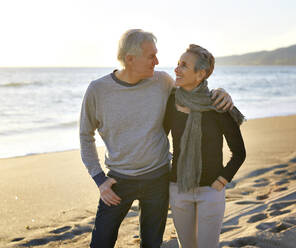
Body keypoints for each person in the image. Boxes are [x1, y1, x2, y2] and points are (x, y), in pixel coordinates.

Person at [79, 29, 233, 248]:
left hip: (158, 179)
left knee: (151, 244)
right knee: (101, 242)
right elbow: (85, 136)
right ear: (130, 59)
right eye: (151, 56)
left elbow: (193, 91)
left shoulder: (161, 81)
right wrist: (99, 180)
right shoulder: (98, 90)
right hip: (118, 181)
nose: (158, 61)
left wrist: (221, 92)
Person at [163, 44, 246, 248]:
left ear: (200, 74)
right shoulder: (171, 101)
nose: (176, 69)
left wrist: (222, 180)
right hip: (179, 188)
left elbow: (239, 152)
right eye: (177, 63)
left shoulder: (218, 105)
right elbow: (158, 139)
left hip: (210, 191)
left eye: (184, 65)